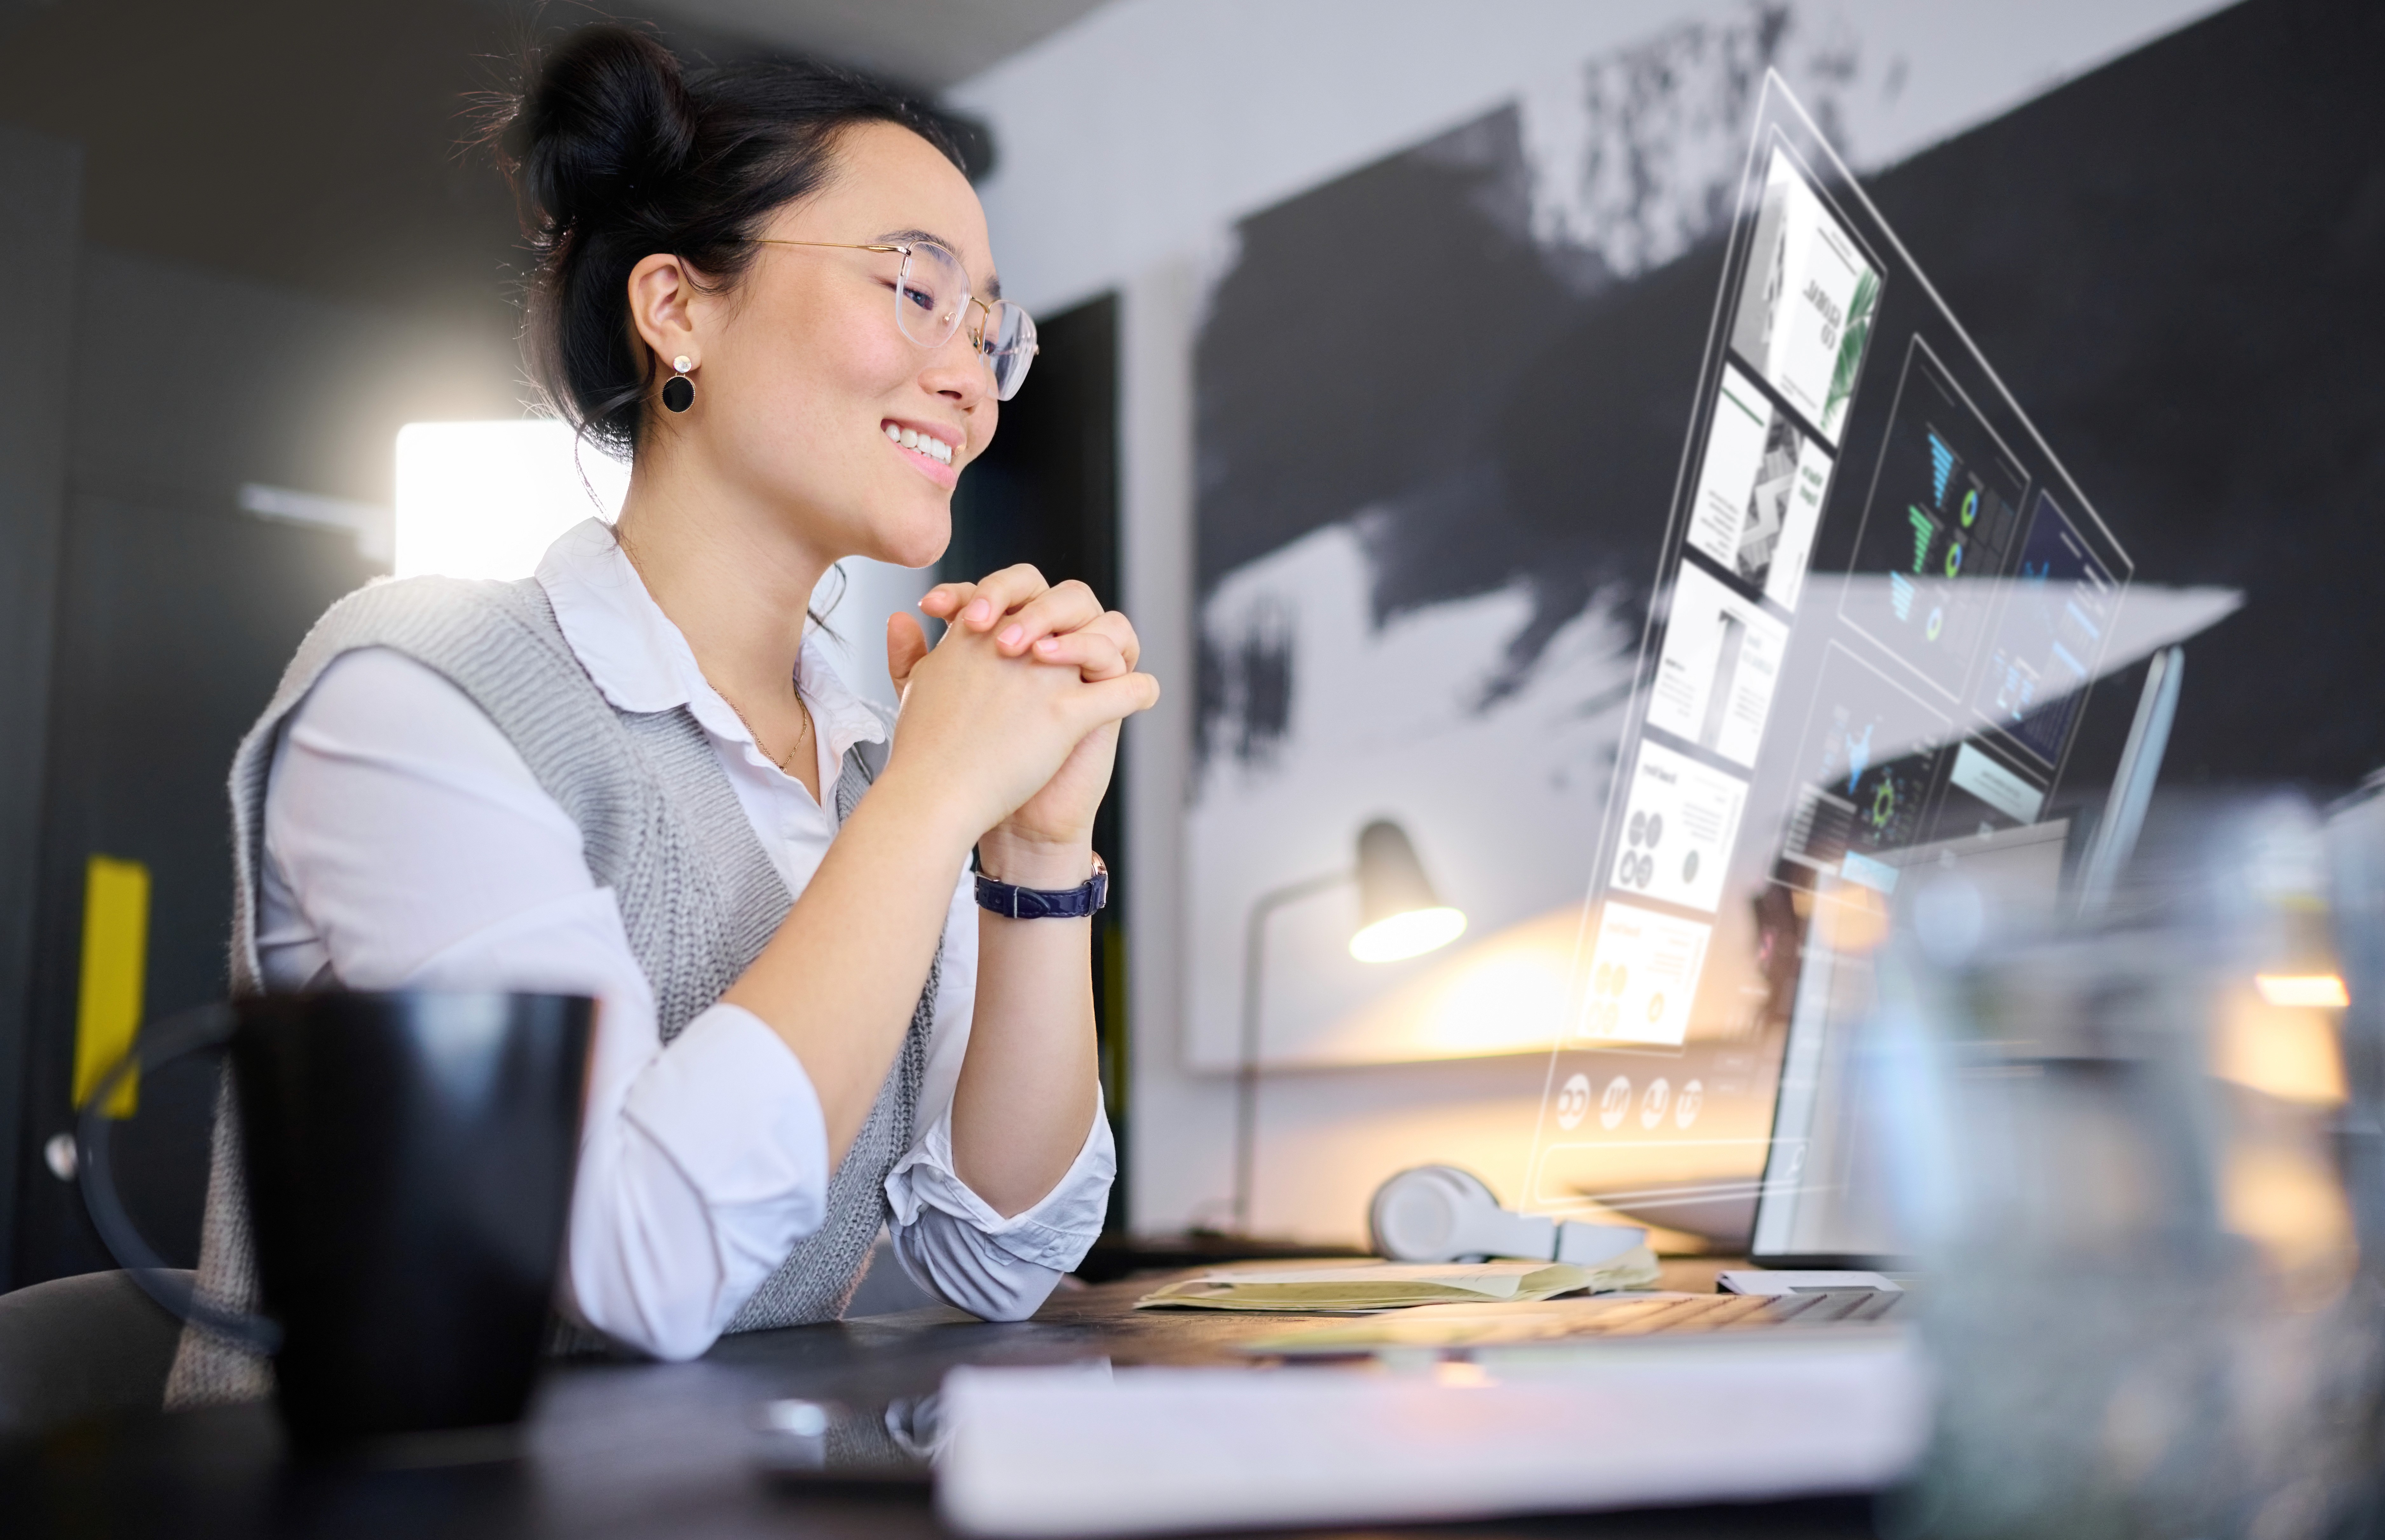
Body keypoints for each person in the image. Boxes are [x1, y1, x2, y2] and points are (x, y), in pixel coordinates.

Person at [166, 25, 1158, 1403]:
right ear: (677, 307)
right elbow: (638, 1266)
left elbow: (996, 1262)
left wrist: (1036, 855)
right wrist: (936, 802)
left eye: (992, 329)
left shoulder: (875, 760)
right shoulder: (416, 691)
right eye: (917, 289)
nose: (969, 376)